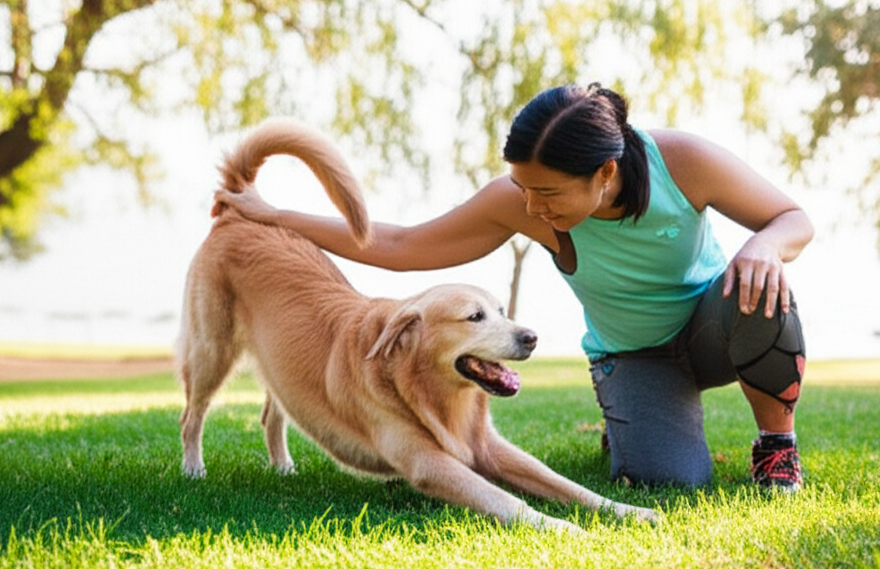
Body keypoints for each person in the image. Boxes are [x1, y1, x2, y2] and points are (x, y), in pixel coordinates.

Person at [214, 83, 814, 492]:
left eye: (547, 194)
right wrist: (271, 214)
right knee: (672, 480)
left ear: (605, 174)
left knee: (761, 285)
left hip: (712, 328)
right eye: (523, 189)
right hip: (634, 355)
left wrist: (763, 245)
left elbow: (793, 219)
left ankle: (775, 444)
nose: (530, 207)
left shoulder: (682, 160)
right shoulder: (522, 201)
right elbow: (398, 246)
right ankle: (631, 413)